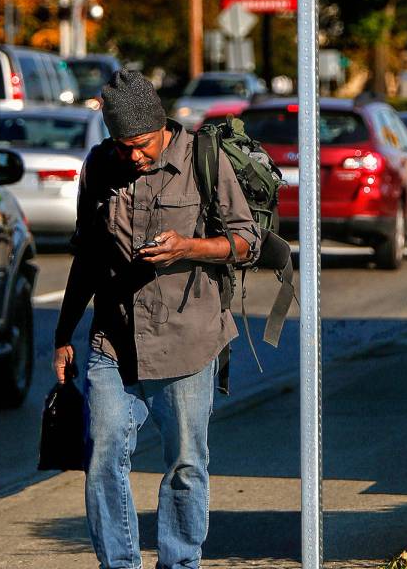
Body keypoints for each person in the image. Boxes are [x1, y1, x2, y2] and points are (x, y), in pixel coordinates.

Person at [53, 70, 259, 569]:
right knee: (103, 457)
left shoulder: (202, 160)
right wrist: (64, 335)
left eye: (141, 145)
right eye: (123, 146)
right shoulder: (102, 165)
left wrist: (189, 247)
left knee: (186, 464)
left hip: (188, 339)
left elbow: (246, 242)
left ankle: (180, 562)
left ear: (161, 126)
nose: (134, 156)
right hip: (114, 340)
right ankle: (119, 564)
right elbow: (86, 256)